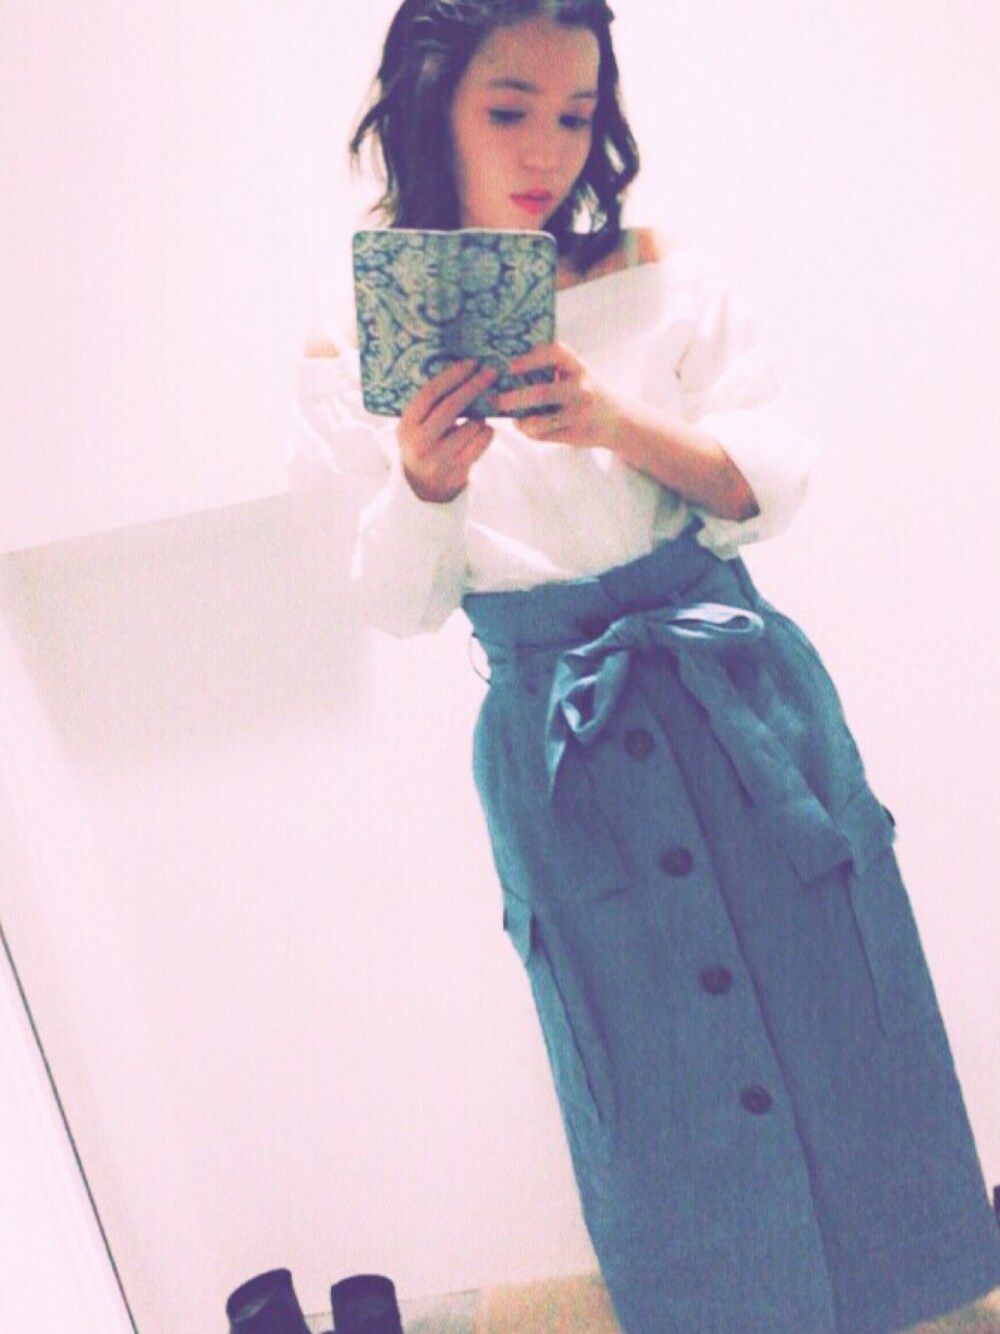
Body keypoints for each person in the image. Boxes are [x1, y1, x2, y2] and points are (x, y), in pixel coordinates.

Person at [288, 2, 1000, 1330]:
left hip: (739, 697)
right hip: (561, 741)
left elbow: (766, 482)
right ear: (433, 106)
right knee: (646, 1057)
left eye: (575, 113)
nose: (546, 151)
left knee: (840, 1000)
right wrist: (425, 482)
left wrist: (615, 421)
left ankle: (901, 1288)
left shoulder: (657, 273)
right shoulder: (354, 344)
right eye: (509, 109)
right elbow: (392, 601)